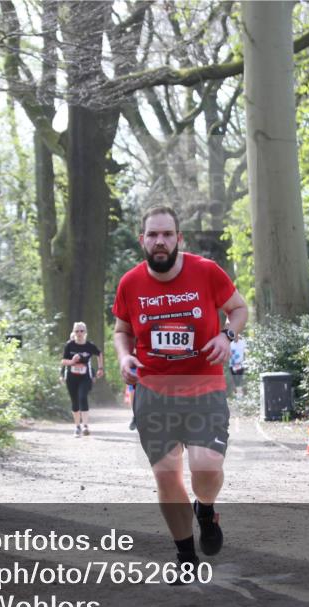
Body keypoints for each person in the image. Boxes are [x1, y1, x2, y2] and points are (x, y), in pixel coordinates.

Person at [112, 205, 248, 570]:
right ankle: (185, 556)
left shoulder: (207, 272)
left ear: (178, 239)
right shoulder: (130, 283)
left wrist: (227, 335)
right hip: (153, 392)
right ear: (142, 240)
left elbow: (239, 309)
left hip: (204, 387)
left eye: (167, 234)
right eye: (153, 235)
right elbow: (121, 331)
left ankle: (205, 509)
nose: (160, 241)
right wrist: (125, 358)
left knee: (205, 469)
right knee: (166, 475)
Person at [60, 321, 103, 437]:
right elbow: (63, 361)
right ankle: (77, 426)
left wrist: (100, 368)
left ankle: (85, 426)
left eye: (81, 331)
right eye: (77, 331)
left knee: (82, 397)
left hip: (85, 377)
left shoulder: (89, 345)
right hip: (71, 377)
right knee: (75, 401)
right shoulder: (69, 345)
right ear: (74, 332)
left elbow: (99, 354)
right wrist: (72, 362)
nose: (79, 333)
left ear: (85, 332)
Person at [228, 332, 247, 397]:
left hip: (240, 364)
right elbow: (229, 354)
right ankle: (237, 395)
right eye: (234, 337)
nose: (235, 338)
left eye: (237, 336)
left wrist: (244, 361)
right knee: (234, 380)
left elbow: (245, 353)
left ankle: (240, 395)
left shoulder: (242, 343)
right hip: (232, 364)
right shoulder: (230, 344)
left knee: (239, 379)